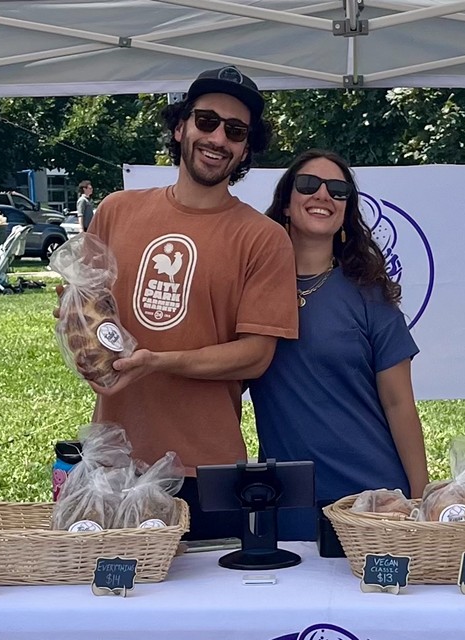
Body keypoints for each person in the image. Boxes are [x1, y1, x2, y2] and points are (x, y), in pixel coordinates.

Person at [78, 66, 299, 539]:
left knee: (206, 612)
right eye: (206, 121)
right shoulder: (116, 210)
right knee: (110, 605)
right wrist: (75, 323)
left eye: (235, 131)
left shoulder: (264, 238)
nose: (218, 138)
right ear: (180, 127)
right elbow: (89, 309)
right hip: (113, 463)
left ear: (245, 148)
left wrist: (159, 361)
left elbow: (256, 355)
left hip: (208, 470)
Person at [248, 149, 429, 548]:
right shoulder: (249, 291)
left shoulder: (370, 296)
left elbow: (400, 404)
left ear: (347, 212)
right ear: (286, 204)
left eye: (339, 190)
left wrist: (420, 499)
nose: (323, 195)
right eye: (309, 185)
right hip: (287, 501)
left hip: (374, 502)